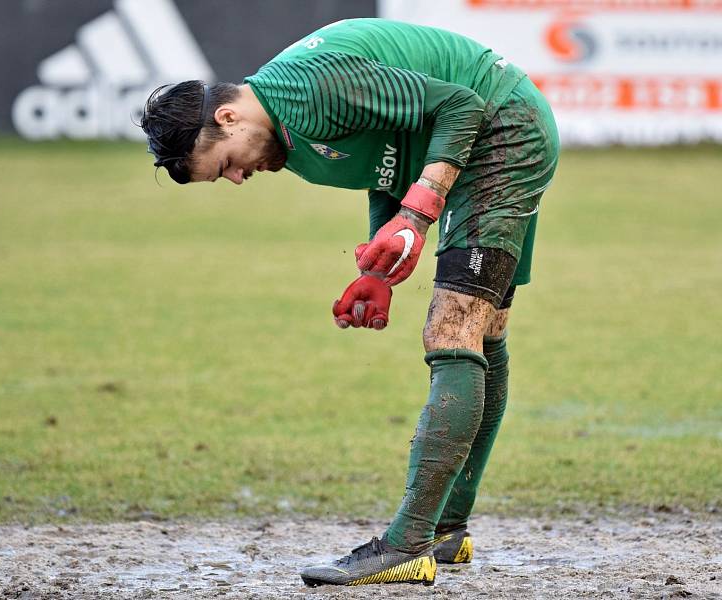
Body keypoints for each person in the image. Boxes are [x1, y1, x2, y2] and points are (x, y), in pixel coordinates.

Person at [140, 18, 559, 588]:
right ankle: (445, 529)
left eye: (226, 165)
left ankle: (409, 544)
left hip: (501, 129)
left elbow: (461, 107)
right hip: (480, 142)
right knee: (482, 333)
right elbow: (388, 159)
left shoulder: (309, 88)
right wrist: (378, 271)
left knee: (452, 331)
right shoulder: (288, 141)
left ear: (227, 117)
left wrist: (416, 216)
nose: (238, 178)